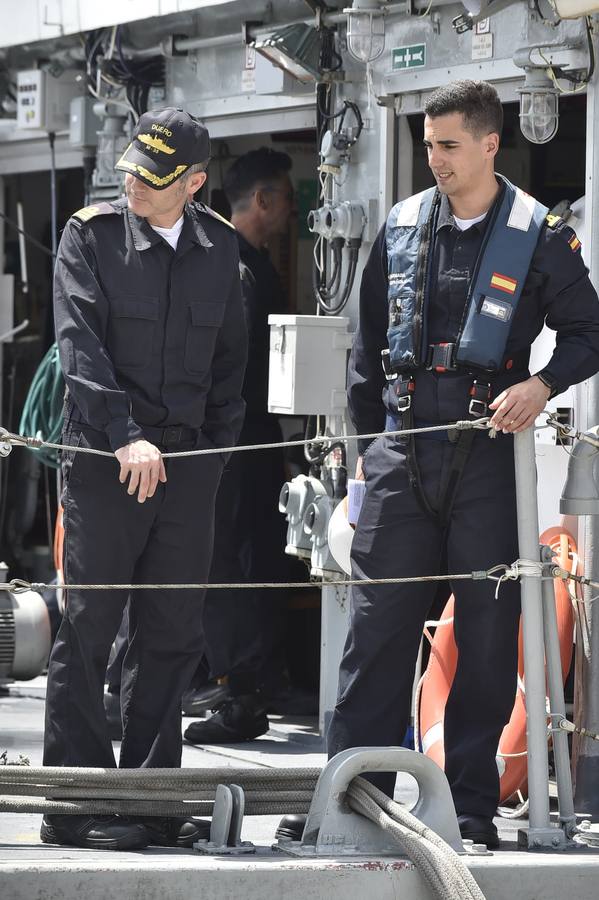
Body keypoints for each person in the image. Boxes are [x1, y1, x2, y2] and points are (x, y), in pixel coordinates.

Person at [319, 80, 599, 849]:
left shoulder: (539, 237)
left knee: (485, 634)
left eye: (447, 144)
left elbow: (586, 334)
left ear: (487, 144)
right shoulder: (402, 225)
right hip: (401, 452)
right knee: (374, 632)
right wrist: (363, 458)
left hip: (485, 460)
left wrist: (539, 386)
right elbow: (365, 355)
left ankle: (470, 807)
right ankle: (351, 796)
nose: (434, 158)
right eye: (427, 143)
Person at [42, 107, 247, 851]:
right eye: (131, 169)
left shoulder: (221, 249)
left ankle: (153, 797)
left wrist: (212, 457)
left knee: (171, 633)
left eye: (153, 178)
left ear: (192, 184)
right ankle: (75, 803)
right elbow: (79, 347)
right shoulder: (88, 237)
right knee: (89, 631)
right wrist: (124, 437)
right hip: (105, 465)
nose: (132, 183)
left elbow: (230, 366)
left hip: (187, 469)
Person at [184, 147, 298, 745]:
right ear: (262, 200)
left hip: (247, 443)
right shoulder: (238, 268)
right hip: (231, 443)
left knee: (247, 559)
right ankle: (236, 691)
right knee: (229, 561)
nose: (291, 215)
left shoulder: (244, 262)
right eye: (287, 200)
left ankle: (245, 681)